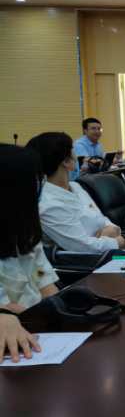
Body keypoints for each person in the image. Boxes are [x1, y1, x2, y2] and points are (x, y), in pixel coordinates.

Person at [0, 144, 58, 362]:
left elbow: (42, 278)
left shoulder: (25, 232)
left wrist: (62, 306)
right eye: (36, 181)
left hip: (38, 330)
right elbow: (7, 310)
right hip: (15, 347)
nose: (41, 185)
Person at [27, 132, 125, 253]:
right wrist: (118, 242)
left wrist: (112, 230)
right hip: (96, 261)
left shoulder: (75, 186)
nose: (77, 156)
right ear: (66, 161)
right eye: (73, 150)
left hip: (109, 252)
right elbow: (84, 248)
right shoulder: (48, 205)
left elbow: (102, 220)